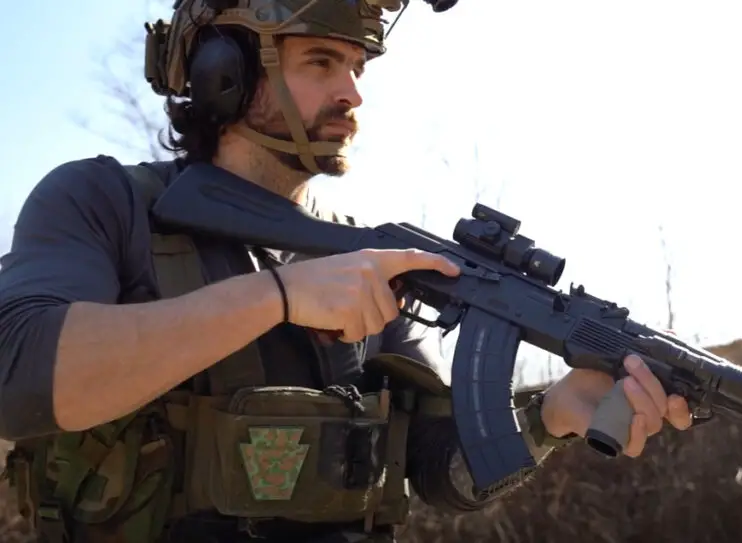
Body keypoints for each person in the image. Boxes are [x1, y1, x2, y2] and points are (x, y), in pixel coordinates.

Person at [0, 1, 693, 542]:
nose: (354, 92)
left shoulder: (364, 256)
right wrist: (276, 295)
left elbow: (438, 470)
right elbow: (17, 373)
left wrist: (552, 415)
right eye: (322, 62)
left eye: (357, 65)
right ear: (223, 73)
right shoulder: (102, 204)